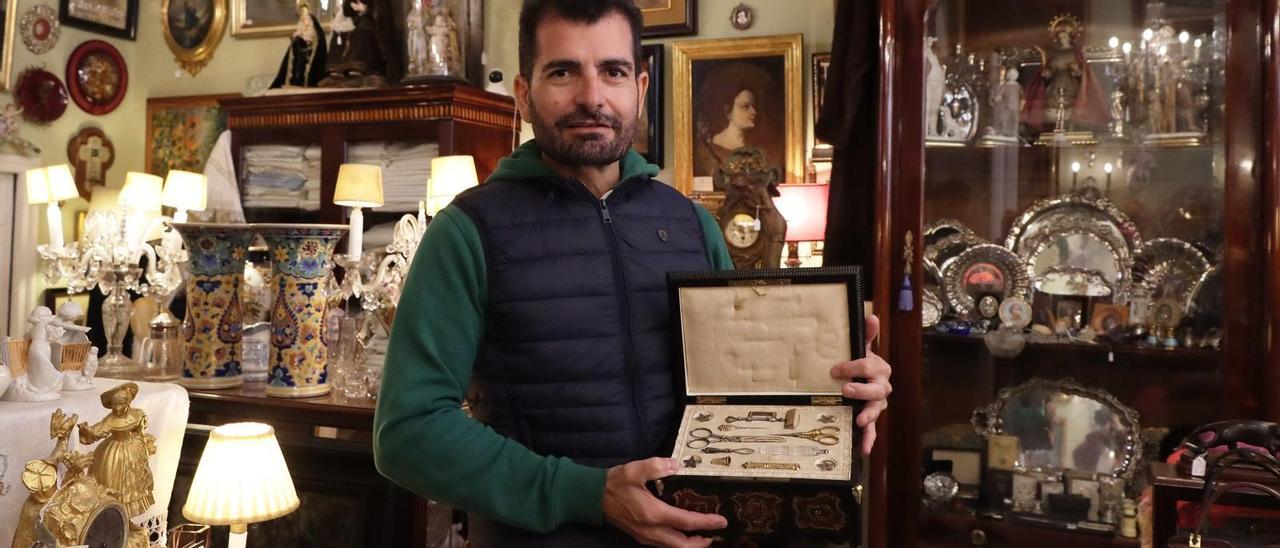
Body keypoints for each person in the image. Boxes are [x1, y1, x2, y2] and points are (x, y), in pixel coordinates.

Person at [372, 1, 893, 546]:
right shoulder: (465, 232)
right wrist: (585, 493)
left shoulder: (692, 224)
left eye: (613, 72)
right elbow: (409, 433)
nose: (591, 97)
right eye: (563, 71)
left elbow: (743, 398)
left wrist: (838, 392)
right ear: (524, 94)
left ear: (640, 87)